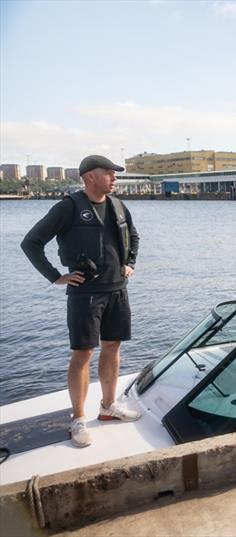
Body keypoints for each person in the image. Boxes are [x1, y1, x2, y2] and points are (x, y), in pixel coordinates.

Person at [21, 155, 141, 448]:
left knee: (113, 346)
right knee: (83, 353)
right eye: (109, 173)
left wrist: (130, 263)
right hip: (85, 294)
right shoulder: (68, 207)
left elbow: (134, 236)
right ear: (89, 176)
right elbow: (31, 242)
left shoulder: (117, 205)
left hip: (117, 289)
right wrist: (56, 276)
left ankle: (108, 407)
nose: (114, 178)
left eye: (115, 174)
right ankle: (78, 419)